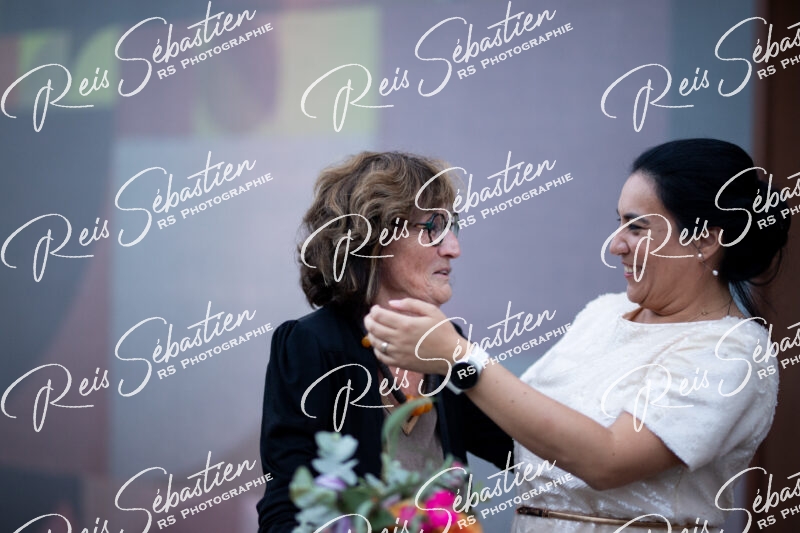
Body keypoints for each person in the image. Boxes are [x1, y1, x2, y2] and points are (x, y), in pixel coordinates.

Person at [364, 139, 791, 531]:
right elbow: (519, 431)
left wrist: (460, 357)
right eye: (619, 223)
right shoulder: (605, 313)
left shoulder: (732, 352)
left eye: (636, 227)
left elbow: (609, 461)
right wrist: (407, 371)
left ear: (705, 241)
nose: (615, 245)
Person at [256, 151, 512, 533]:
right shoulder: (313, 343)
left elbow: (523, 450)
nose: (453, 248)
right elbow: (287, 510)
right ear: (375, 237)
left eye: (452, 226)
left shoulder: (447, 342)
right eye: (433, 227)